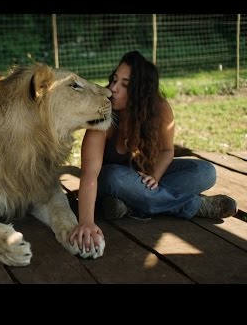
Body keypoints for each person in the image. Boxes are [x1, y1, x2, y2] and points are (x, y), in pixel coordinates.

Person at [69, 50, 237, 253]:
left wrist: (154, 176)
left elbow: (167, 150)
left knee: (205, 172)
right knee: (114, 175)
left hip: (144, 178)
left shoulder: (159, 108)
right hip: (109, 181)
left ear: (140, 91)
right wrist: (86, 222)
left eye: (125, 85)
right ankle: (193, 206)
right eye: (114, 80)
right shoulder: (103, 116)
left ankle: (130, 206)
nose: (113, 89)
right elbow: (89, 175)